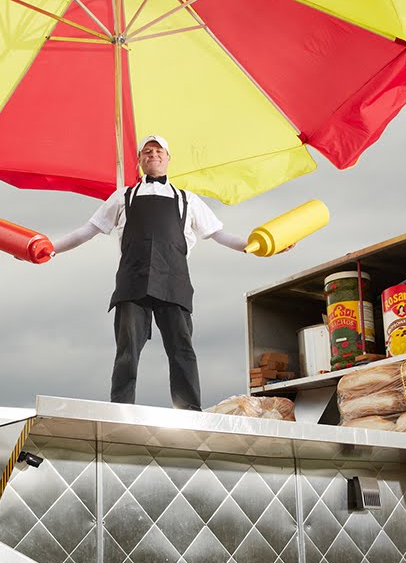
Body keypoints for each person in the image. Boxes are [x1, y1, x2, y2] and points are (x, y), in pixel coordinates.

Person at [51, 135, 261, 410]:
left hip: (174, 283)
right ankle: (121, 410)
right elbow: (86, 231)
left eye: (159, 151)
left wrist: (258, 246)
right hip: (132, 281)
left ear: (168, 158)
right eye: (147, 151)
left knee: (182, 350)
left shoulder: (188, 200)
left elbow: (219, 234)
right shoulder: (123, 197)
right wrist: (49, 249)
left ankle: (189, 413)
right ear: (139, 160)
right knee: (127, 353)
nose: (153, 155)